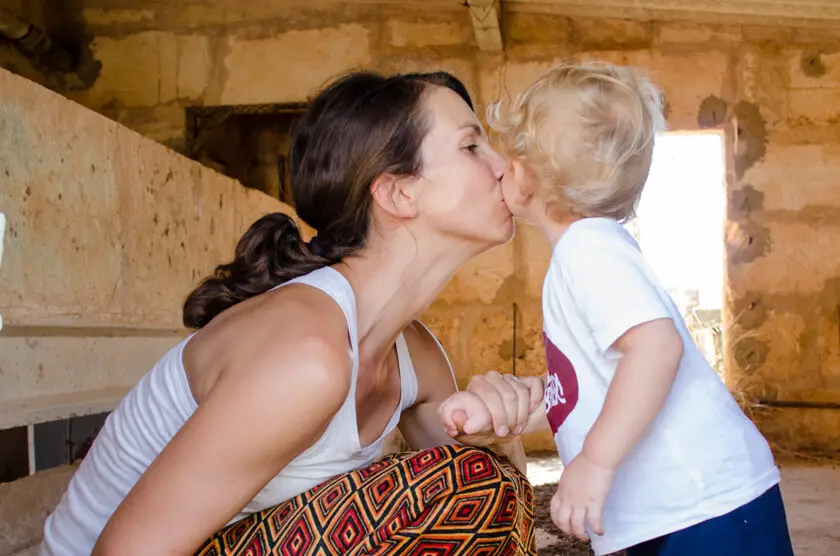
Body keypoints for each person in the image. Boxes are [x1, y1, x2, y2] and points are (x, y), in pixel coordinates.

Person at [40, 70, 542, 556]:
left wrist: (495, 432)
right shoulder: (307, 355)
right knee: (469, 480)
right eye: (472, 146)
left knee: (484, 478)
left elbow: (500, 518)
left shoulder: (413, 355)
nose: (503, 167)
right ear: (397, 192)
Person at [442, 62, 794, 556]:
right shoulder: (588, 252)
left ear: (526, 178)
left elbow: (656, 347)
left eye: (510, 154)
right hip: (677, 510)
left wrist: (595, 462)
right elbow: (591, 388)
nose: (499, 166)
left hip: (704, 505)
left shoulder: (588, 250)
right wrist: (507, 407)